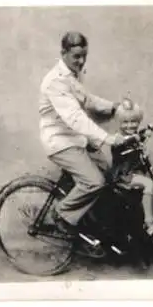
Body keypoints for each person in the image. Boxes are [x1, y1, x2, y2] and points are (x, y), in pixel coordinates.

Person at [38, 31, 126, 237]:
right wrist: (107, 138)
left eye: (84, 55)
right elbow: (75, 117)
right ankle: (61, 215)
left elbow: (87, 100)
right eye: (76, 56)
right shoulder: (55, 81)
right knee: (94, 182)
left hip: (77, 139)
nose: (81, 61)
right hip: (60, 142)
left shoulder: (73, 74)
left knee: (108, 176)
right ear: (63, 53)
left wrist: (113, 107)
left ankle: (95, 228)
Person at [111, 97, 153, 241]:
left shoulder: (135, 135)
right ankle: (149, 222)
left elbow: (140, 135)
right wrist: (137, 138)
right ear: (119, 122)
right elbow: (122, 144)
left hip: (137, 172)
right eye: (125, 122)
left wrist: (147, 131)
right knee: (148, 183)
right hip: (124, 175)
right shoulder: (119, 139)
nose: (130, 126)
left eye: (134, 122)